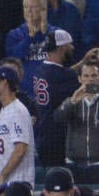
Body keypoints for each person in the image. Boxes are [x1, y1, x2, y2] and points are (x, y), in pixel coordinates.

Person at [54, 62, 99, 184]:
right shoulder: (72, 100)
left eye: (94, 75)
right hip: (74, 166)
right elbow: (58, 118)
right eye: (86, 76)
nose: (90, 80)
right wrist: (72, 102)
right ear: (80, 79)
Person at [31, 29, 79, 167]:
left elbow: (62, 72)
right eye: (70, 45)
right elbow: (85, 87)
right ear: (62, 48)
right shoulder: (65, 76)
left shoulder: (40, 70)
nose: (73, 48)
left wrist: (83, 63)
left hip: (42, 136)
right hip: (57, 140)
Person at [0, 65, 34, 188]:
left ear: (4, 82)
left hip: (18, 182)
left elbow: (21, 148)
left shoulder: (18, 110)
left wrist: (3, 174)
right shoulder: (4, 110)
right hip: (7, 182)